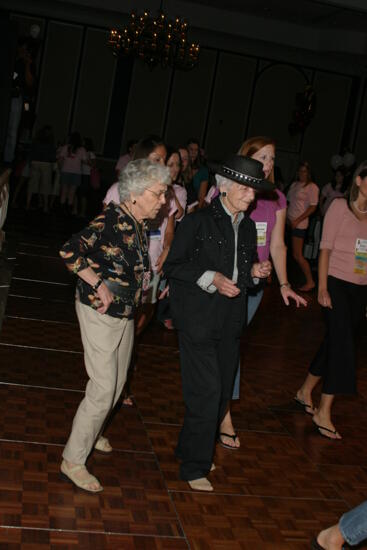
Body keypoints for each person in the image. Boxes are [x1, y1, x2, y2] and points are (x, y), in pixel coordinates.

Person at [59, 159, 171, 493]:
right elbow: (69, 251)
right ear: (135, 193)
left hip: (124, 313)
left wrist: (150, 283)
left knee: (119, 382)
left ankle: (92, 434)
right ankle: (73, 460)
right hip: (100, 312)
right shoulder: (110, 218)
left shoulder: (136, 221)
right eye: (159, 193)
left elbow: (129, 264)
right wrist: (97, 283)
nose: (164, 201)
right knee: (104, 387)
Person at [163, 154, 273, 491]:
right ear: (224, 187)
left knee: (221, 391)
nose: (251, 196)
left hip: (230, 322)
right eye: (245, 188)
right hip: (197, 319)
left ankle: (187, 447)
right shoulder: (198, 221)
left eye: (254, 191)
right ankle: (195, 467)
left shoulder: (249, 226)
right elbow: (173, 267)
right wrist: (211, 277)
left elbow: (245, 270)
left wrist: (255, 273)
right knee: (207, 392)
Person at [218, 136, 307, 449]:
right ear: (248, 158)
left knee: (232, 343)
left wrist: (284, 283)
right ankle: (218, 409)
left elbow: (278, 245)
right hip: (223, 279)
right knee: (223, 342)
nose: (269, 164)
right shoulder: (228, 188)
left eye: (272, 158)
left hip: (255, 285)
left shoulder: (277, 198)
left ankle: (222, 409)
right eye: (263, 157)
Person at [295, 161, 367, 439]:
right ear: (359, 181)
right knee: (343, 347)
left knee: (335, 342)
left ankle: (304, 391)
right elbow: (324, 249)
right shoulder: (338, 206)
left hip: (360, 289)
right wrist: (322, 287)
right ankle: (324, 410)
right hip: (335, 284)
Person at [104, 135, 167, 205]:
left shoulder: (161, 193)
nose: (163, 166)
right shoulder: (119, 190)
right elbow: (107, 215)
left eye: (165, 160)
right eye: (157, 160)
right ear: (143, 160)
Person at [287, 161, 319, 291]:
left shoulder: (312, 187)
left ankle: (310, 281)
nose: (301, 173)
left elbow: (313, 207)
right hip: (289, 222)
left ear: (309, 173)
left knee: (297, 255)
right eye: (300, 171)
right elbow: (289, 203)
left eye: (304, 171)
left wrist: (297, 220)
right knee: (285, 251)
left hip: (299, 224)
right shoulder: (294, 184)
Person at [26, 125, 56, 212]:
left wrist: (30, 162)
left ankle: (28, 204)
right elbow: (52, 155)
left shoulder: (36, 141)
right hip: (46, 163)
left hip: (35, 162)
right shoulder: (50, 142)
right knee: (46, 185)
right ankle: (46, 206)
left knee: (32, 184)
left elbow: (31, 152)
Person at [57, 132, 87, 214]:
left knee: (64, 191)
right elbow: (85, 161)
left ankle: (61, 210)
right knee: (72, 193)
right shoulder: (82, 149)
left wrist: (60, 169)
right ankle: (68, 210)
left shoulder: (65, 147)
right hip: (76, 173)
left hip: (65, 171)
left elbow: (60, 160)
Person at [187, 138, 209, 209]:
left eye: (196, 150)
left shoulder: (203, 171)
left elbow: (201, 198)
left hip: (193, 208)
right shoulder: (181, 167)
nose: (193, 152)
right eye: (191, 149)